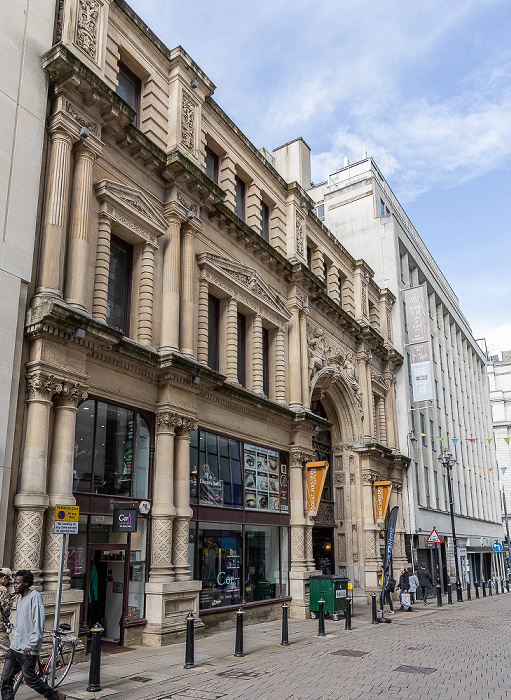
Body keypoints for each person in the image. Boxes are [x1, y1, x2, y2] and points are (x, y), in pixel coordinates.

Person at [1, 570, 66, 700]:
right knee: (5, 679)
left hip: (27, 649)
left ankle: (54, 696)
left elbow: (39, 623)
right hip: (15, 647)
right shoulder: (20, 598)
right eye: (14, 582)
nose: (15, 585)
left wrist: (31, 645)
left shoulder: (35, 597)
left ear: (26, 583)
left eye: (18, 583)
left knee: (30, 679)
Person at [0, 569, 13, 674]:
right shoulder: (3, 590)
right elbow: (6, 608)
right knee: (5, 653)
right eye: (8, 579)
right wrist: (10, 599)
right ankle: (3, 678)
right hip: (0, 628)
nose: (8, 582)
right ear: (4, 577)